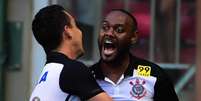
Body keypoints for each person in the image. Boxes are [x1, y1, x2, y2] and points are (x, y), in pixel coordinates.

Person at [90, 9, 179, 101]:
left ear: (133, 37)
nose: (109, 33)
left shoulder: (154, 75)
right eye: (105, 27)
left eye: (119, 30)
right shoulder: (86, 78)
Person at [29, 5, 113, 101]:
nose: (80, 31)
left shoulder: (47, 74)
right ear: (67, 31)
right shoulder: (72, 70)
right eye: (75, 25)